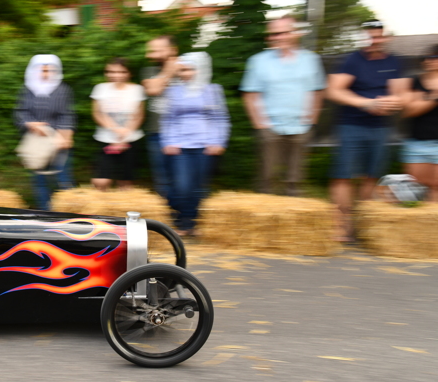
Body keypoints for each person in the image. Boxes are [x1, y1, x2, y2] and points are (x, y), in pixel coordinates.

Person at [326, 20, 407, 241]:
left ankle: (363, 225)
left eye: (379, 36)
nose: (375, 40)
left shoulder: (394, 62)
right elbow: (333, 91)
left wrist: (391, 102)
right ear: (364, 37)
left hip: (380, 128)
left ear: (386, 38)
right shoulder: (352, 60)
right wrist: (365, 103)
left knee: (371, 177)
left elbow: (401, 94)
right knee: (342, 177)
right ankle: (342, 226)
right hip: (350, 125)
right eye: (370, 36)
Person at [241, 16, 326, 196]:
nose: (277, 37)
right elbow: (250, 95)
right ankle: (264, 217)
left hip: (301, 128)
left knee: (296, 180)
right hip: (270, 129)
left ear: (294, 33)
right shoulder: (258, 60)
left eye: (283, 32)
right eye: (273, 34)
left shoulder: (311, 59)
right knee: (266, 178)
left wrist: (312, 120)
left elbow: (318, 92)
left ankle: (294, 219)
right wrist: (261, 125)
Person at [160, 52, 230, 236]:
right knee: (182, 186)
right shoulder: (174, 91)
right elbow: (168, 118)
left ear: (201, 69)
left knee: (198, 187)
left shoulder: (213, 90)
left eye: (189, 69)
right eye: (182, 70)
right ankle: (181, 221)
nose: (185, 73)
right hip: (180, 146)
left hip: (205, 146)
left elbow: (221, 118)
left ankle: (190, 224)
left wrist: (219, 141)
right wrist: (168, 141)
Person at [14, 54, 76, 210]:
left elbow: (67, 114)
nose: (46, 74)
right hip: (37, 142)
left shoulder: (62, 89)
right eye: (42, 70)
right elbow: (20, 112)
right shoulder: (28, 89)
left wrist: (66, 136)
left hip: (58, 140)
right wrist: (31, 124)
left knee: (63, 178)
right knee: (39, 180)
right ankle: (45, 213)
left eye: (50, 70)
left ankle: (67, 214)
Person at [91, 57, 146, 191]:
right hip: (106, 139)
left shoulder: (137, 89)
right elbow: (97, 113)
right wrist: (115, 130)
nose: (116, 75)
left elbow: (139, 115)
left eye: (121, 72)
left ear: (129, 73)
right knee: (101, 181)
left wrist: (125, 136)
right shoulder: (100, 88)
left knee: (125, 181)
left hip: (130, 140)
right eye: (111, 72)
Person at [140, 35, 180, 199]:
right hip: (157, 132)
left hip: (183, 134)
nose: (152, 54)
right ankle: (165, 216)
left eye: (158, 50)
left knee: (181, 177)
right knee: (162, 178)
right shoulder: (148, 71)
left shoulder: (187, 68)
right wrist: (170, 70)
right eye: (151, 50)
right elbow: (153, 90)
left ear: (173, 50)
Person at [400, 45, 438, 202]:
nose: (430, 61)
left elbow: (416, 106)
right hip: (417, 144)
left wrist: (423, 99)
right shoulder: (415, 81)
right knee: (417, 190)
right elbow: (408, 111)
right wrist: (435, 96)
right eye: (427, 58)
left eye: (435, 58)